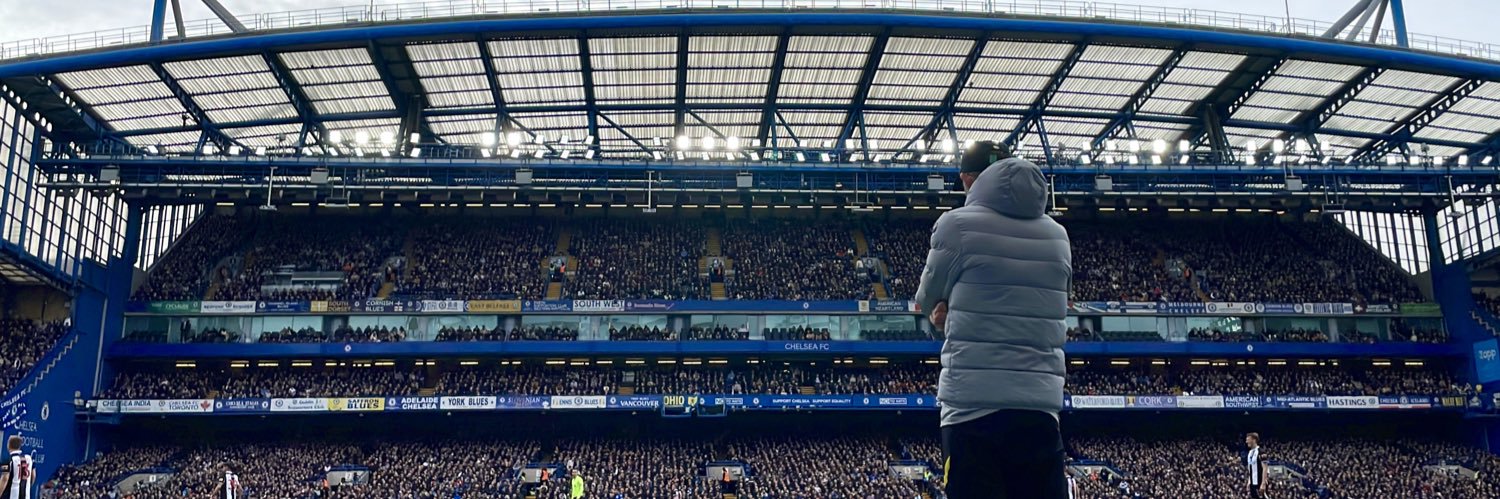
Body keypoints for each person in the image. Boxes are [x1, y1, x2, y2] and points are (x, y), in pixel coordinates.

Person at [916, 141, 1071, 499]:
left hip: (973, 409)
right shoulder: (1058, 236)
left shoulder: (956, 226)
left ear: (969, 180)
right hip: (1040, 411)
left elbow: (926, 299)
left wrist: (944, 314)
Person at [1246, 432, 1268, 498]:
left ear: (1254, 440)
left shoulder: (1261, 451)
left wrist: (1263, 483)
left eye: (1248, 439)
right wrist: (1249, 481)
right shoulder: (1250, 453)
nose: (1246, 441)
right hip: (1252, 483)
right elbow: (1250, 469)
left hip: (1260, 482)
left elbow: (1265, 468)